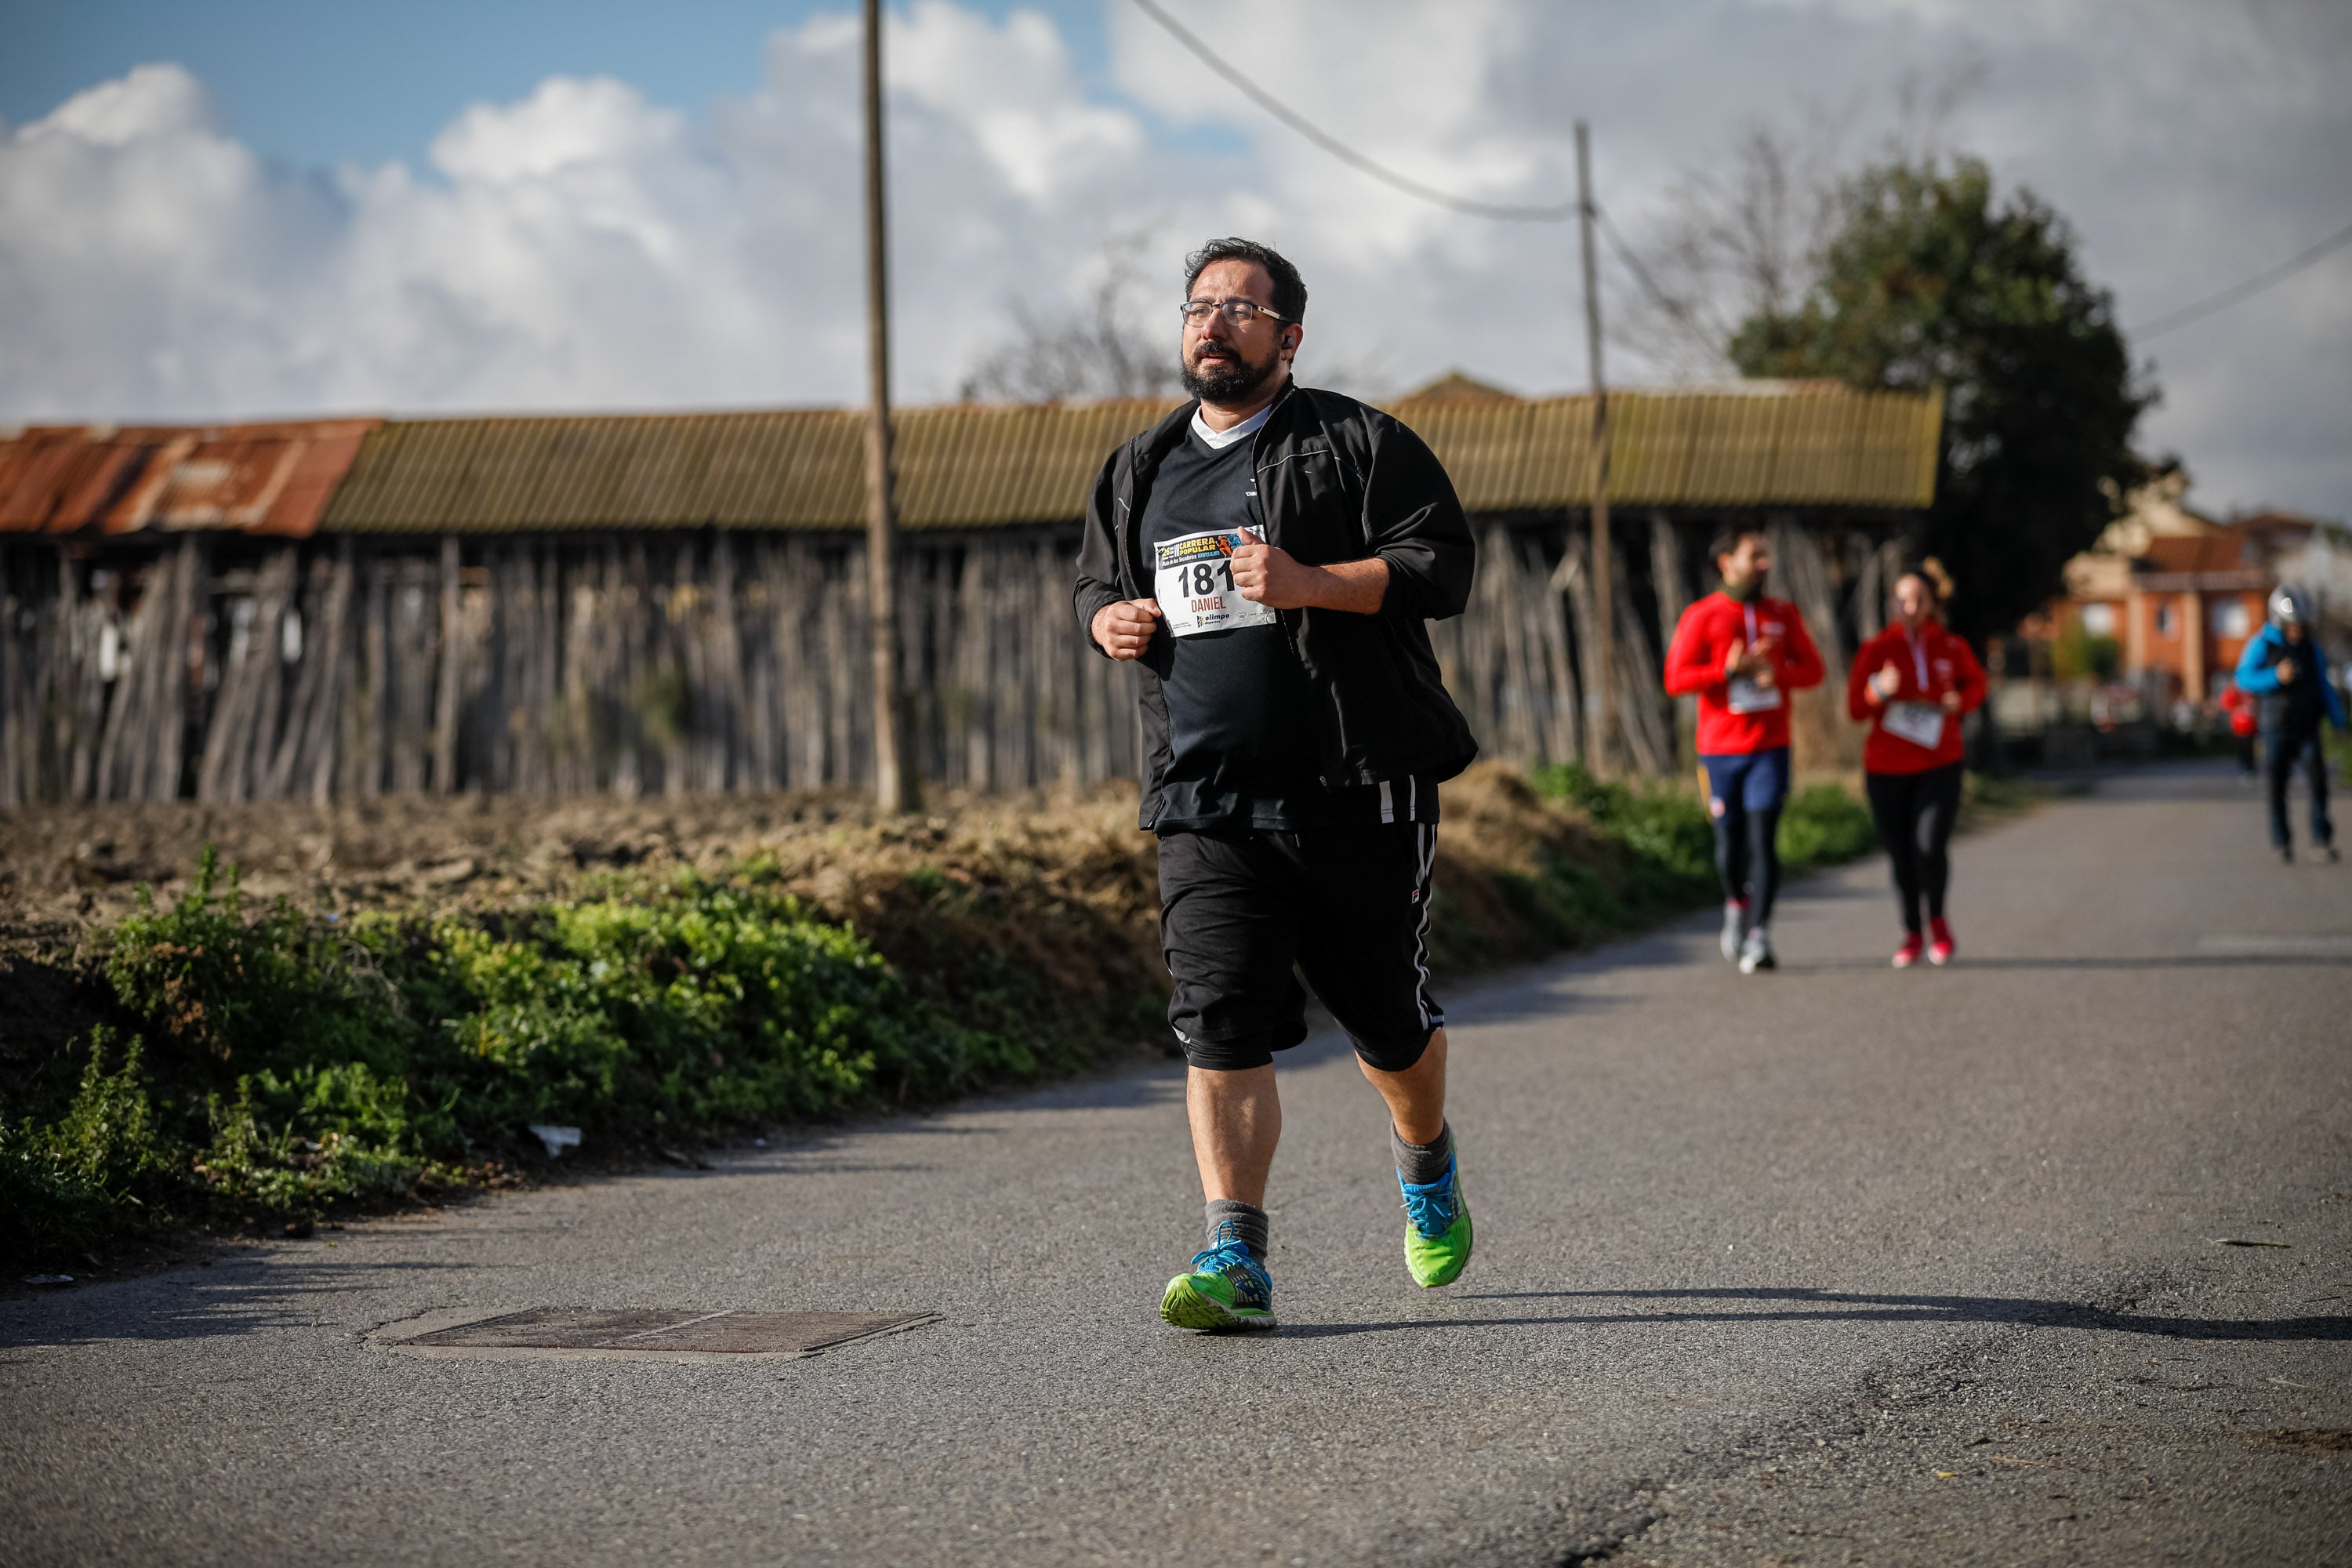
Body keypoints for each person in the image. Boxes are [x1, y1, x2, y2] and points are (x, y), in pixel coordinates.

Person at [1073, 238, 1480, 1333]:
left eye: (1241, 309)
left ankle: (1426, 1160)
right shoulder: (1139, 468)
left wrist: (1309, 581)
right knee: (1218, 1025)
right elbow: (1097, 583)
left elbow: (1441, 566)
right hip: (1205, 797)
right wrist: (1107, 620)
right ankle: (1235, 1255)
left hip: (1357, 787)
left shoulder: (1359, 442)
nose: (1214, 322)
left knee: (1389, 1025)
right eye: (1200, 304)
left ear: (1289, 338)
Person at [1662, 528, 1826, 974]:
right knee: (1729, 846)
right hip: (1718, 751)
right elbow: (1675, 679)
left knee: (1763, 839)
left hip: (1770, 747)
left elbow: (1814, 670)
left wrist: (1780, 675)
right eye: (1755, 556)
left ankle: (1759, 935)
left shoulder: (1783, 614)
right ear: (1726, 562)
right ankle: (1737, 902)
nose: (1764, 564)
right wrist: (1726, 670)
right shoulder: (1703, 615)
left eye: (1766, 556)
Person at [1848, 560, 1986, 967]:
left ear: (1931, 604)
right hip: (1886, 769)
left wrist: (1961, 701)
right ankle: (1911, 931)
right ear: (1892, 603)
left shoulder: (1951, 647)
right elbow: (1855, 708)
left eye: (1918, 599)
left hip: (1940, 762)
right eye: (1902, 599)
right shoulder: (1876, 650)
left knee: (1929, 845)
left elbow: (1976, 683)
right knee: (1902, 855)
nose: (1910, 606)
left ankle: (1938, 921)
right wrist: (1878, 691)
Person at [2234, 587, 2345, 864]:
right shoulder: (2261, 644)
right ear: (2279, 622)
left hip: (2307, 726)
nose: (2298, 631)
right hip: (2275, 728)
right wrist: (2275, 676)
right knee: (2277, 787)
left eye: (2302, 625)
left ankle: (2321, 840)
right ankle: (2281, 842)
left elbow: (2323, 686)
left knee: (2318, 783)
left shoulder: (2311, 648)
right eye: (2293, 625)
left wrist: (2338, 720)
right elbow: (2243, 678)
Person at [2216, 679, 2259, 780]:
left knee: (2249, 746)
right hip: (2239, 725)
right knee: (2242, 747)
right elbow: (2226, 703)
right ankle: (2245, 766)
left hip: (2250, 724)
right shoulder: (2234, 691)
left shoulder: (2250, 690)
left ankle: (2250, 766)